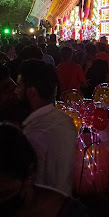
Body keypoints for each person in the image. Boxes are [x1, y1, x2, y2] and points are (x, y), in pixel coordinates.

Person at [19, 59, 77, 195]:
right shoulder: (65, 121)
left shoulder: (34, 135)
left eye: (20, 86)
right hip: (62, 203)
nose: (16, 90)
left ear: (31, 92)